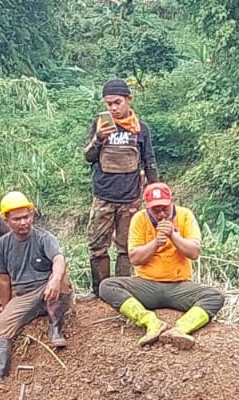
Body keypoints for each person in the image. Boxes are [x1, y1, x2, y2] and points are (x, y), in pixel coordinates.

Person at [97, 181, 224, 348]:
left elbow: (194, 252)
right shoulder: (139, 219)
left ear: (172, 202)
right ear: (147, 207)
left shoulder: (185, 215)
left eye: (165, 208)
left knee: (216, 296)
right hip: (147, 286)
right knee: (107, 286)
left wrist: (173, 235)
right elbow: (134, 258)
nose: (161, 214)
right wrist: (156, 242)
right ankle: (150, 322)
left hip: (179, 286)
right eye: (156, 210)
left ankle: (181, 329)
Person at [0, 192, 71, 392]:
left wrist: (55, 279)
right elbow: (4, 280)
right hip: (25, 294)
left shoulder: (44, 238)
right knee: (0, 327)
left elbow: (58, 259)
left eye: (27, 217)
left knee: (62, 278)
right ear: (6, 221)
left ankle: (55, 327)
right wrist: (4, 307)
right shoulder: (3, 244)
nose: (24, 222)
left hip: (47, 285)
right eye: (17, 219)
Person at [83, 77, 158, 293]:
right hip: (103, 196)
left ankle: (121, 291)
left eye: (118, 102)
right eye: (109, 104)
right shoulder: (99, 126)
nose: (114, 107)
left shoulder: (140, 129)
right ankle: (99, 291)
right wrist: (98, 139)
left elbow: (149, 160)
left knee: (127, 248)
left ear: (128, 100)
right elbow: (88, 156)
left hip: (131, 197)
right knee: (97, 247)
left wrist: (155, 190)